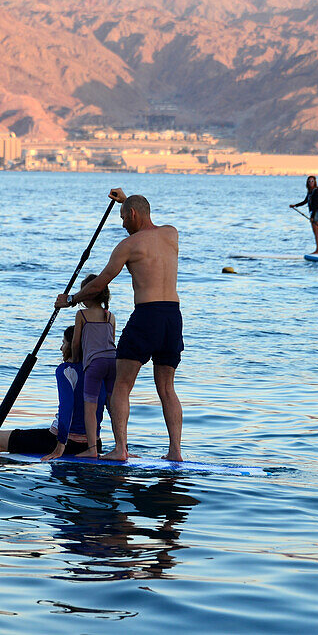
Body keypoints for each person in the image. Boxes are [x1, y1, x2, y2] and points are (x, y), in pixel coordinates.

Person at [55, 189, 184, 462]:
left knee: (122, 386)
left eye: (124, 218)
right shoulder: (171, 234)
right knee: (166, 388)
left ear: (133, 215)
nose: (122, 224)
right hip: (173, 316)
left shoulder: (128, 246)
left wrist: (71, 300)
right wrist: (126, 201)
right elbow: (142, 213)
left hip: (147, 315)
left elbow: (101, 283)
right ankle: (175, 452)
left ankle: (120, 449)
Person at [0, 326, 107, 461]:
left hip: (61, 443)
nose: (61, 348)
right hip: (94, 444)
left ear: (73, 346)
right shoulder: (99, 371)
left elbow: (67, 407)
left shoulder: (66, 370)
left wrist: (60, 445)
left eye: (63, 343)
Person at [71, 272, 117, 458]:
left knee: (90, 408)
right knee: (114, 407)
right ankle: (122, 446)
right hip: (114, 362)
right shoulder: (110, 316)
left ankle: (91, 449)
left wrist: (75, 361)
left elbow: (75, 342)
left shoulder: (82, 314)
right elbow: (112, 340)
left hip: (94, 364)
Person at [289, 175, 318, 254]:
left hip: (317, 212)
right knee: (315, 231)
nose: (311, 183)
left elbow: (316, 205)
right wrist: (295, 205)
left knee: (316, 231)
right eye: (309, 181)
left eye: (312, 181)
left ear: (315, 182)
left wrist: (312, 217)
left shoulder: (316, 191)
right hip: (313, 212)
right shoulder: (310, 192)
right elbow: (305, 201)